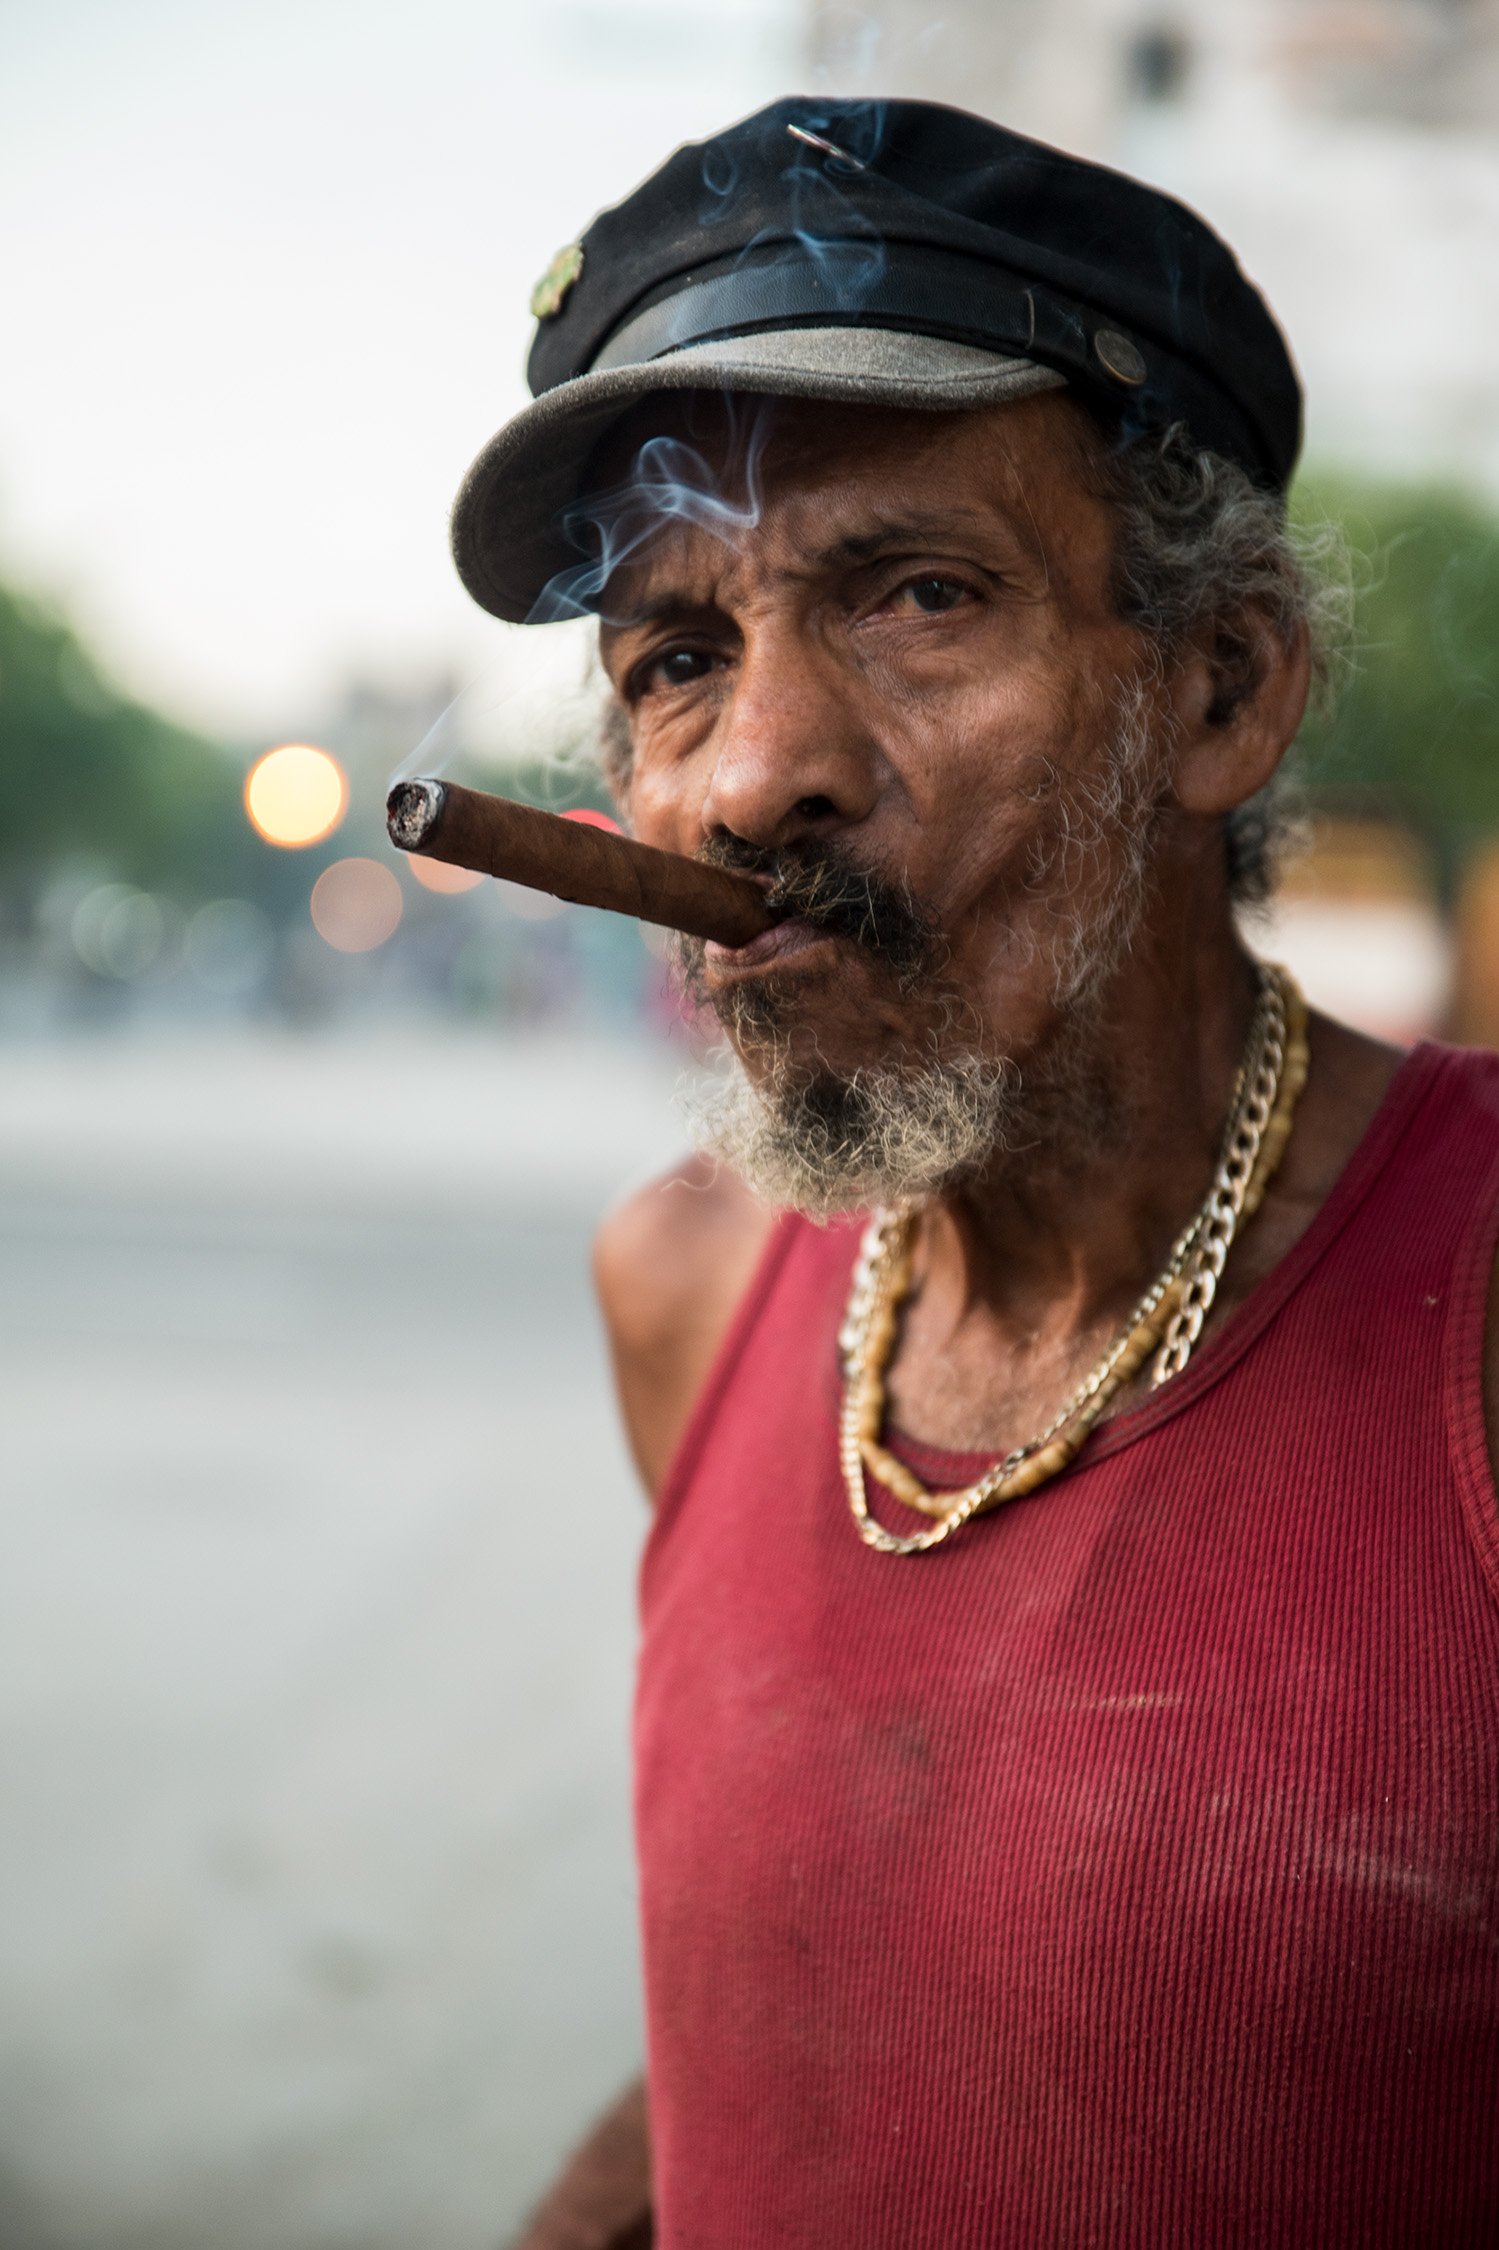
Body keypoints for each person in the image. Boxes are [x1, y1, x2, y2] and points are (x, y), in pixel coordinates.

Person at [462, 98, 1499, 2248]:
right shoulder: (684, 1286)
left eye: (920, 593)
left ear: (1218, 689)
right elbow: (829, 2012)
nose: (756, 774)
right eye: (676, 660)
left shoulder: (1470, 1306)